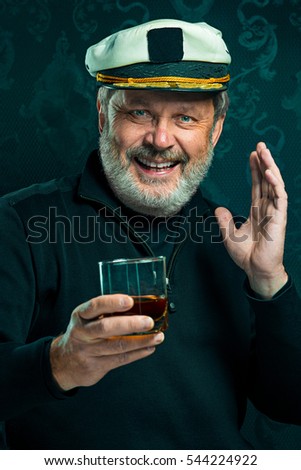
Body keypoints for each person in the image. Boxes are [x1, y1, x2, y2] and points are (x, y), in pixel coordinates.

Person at [0, 18, 300, 450]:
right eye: (139, 112)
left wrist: (268, 281)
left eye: (185, 117)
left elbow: (291, 405)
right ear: (103, 114)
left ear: (214, 129)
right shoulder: (21, 222)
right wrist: (58, 362)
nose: (161, 139)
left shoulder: (240, 239)